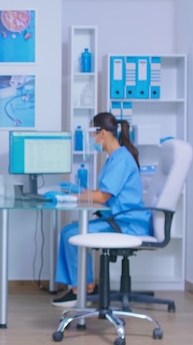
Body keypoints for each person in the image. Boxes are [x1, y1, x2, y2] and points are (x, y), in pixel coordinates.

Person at [52, 112, 151, 307]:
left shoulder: (121, 158)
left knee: (70, 233)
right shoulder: (115, 158)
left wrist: (74, 197)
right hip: (118, 219)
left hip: (127, 224)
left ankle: (82, 289)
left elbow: (104, 197)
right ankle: (82, 286)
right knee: (68, 231)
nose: (91, 140)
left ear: (102, 133)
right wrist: (80, 191)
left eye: (92, 134)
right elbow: (103, 192)